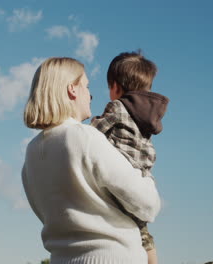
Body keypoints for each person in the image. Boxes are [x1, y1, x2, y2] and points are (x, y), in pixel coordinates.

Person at [22, 57, 161, 264]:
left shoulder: (31, 151)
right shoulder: (85, 137)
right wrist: (146, 176)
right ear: (72, 90)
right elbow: (148, 205)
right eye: (86, 86)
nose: (90, 94)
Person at [91, 51, 169, 264]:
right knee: (143, 232)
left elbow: (97, 130)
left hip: (123, 170)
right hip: (143, 175)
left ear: (115, 87)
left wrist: (85, 128)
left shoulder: (118, 106)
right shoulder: (147, 116)